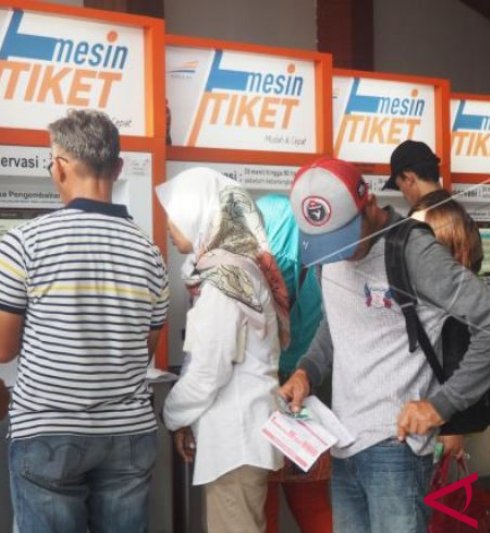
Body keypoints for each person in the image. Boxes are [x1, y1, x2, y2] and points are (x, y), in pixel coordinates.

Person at [279, 157, 490, 533]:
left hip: (396, 449)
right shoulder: (327, 254)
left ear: (369, 204)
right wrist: (307, 371)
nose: (341, 254)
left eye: (345, 240)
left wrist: (443, 404)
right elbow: (335, 322)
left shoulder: (412, 251)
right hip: (342, 442)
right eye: (329, 245)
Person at [0, 109, 169, 532]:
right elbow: (143, 350)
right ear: (118, 167)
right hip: (128, 433)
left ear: (59, 167)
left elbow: (3, 348)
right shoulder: (150, 253)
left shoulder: (24, 242)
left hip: (47, 430)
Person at [157, 168, 291, 532]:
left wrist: (172, 414)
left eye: (175, 214)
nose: (168, 225)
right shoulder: (235, 269)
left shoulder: (224, 280)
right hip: (239, 438)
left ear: (200, 214)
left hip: (236, 442)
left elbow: (208, 371)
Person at [386, 139, 483, 460]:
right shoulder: (460, 213)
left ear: (408, 178)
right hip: (460, 354)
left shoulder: (420, 222)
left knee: (430, 466)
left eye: (400, 185)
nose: (403, 193)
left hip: (435, 359)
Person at [256, 194, 333, 533]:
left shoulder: (267, 273)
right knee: (312, 497)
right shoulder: (320, 267)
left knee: (264, 497)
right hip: (311, 388)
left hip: (269, 387)